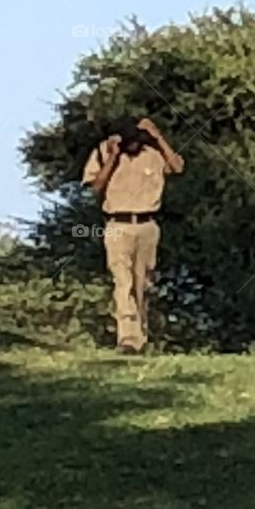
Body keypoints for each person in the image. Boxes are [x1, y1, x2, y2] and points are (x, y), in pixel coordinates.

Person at [81, 117, 184, 354]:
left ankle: (141, 337)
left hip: (147, 223)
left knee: (143, 283)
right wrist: (114, 157)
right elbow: (96, 187)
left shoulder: (152, 153)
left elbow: (177, 167)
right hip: (118, 223)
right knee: (122, 280)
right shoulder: (103, 152)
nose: (133, 146)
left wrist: (158, 136)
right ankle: (127, 338)